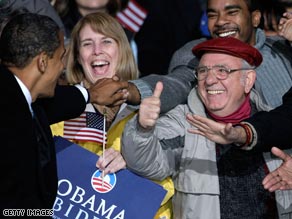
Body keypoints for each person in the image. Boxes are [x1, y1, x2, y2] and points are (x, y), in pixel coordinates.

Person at [122, 37, 292, 219]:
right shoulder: (184, 122)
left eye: (222, 70)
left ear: (248, 80)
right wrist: (143, 130)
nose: (210, 80)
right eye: (203, 71)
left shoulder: (277, 125)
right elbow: (145, 165)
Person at [50, 12, 174, 219]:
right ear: (78, 57)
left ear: (122, 50)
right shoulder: (58, 111)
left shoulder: (150, 109)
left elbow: (168, 186)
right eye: (87, 44)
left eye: (106, 41)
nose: (97, 51)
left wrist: (134, 163)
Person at [0, 12, 128, 211]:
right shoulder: (9, 113)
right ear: (43, 62)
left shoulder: (24, 100)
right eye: (61, 57)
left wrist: (91, 94)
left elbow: (57, 102)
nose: (62, 67)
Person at [125, 0, 292, 113]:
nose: (220, 21)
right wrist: (132, 90)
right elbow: (176, 83)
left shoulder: (283, 48)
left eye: (232, 12)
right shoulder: (196, 53)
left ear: (255, 18)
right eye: (212, 15)